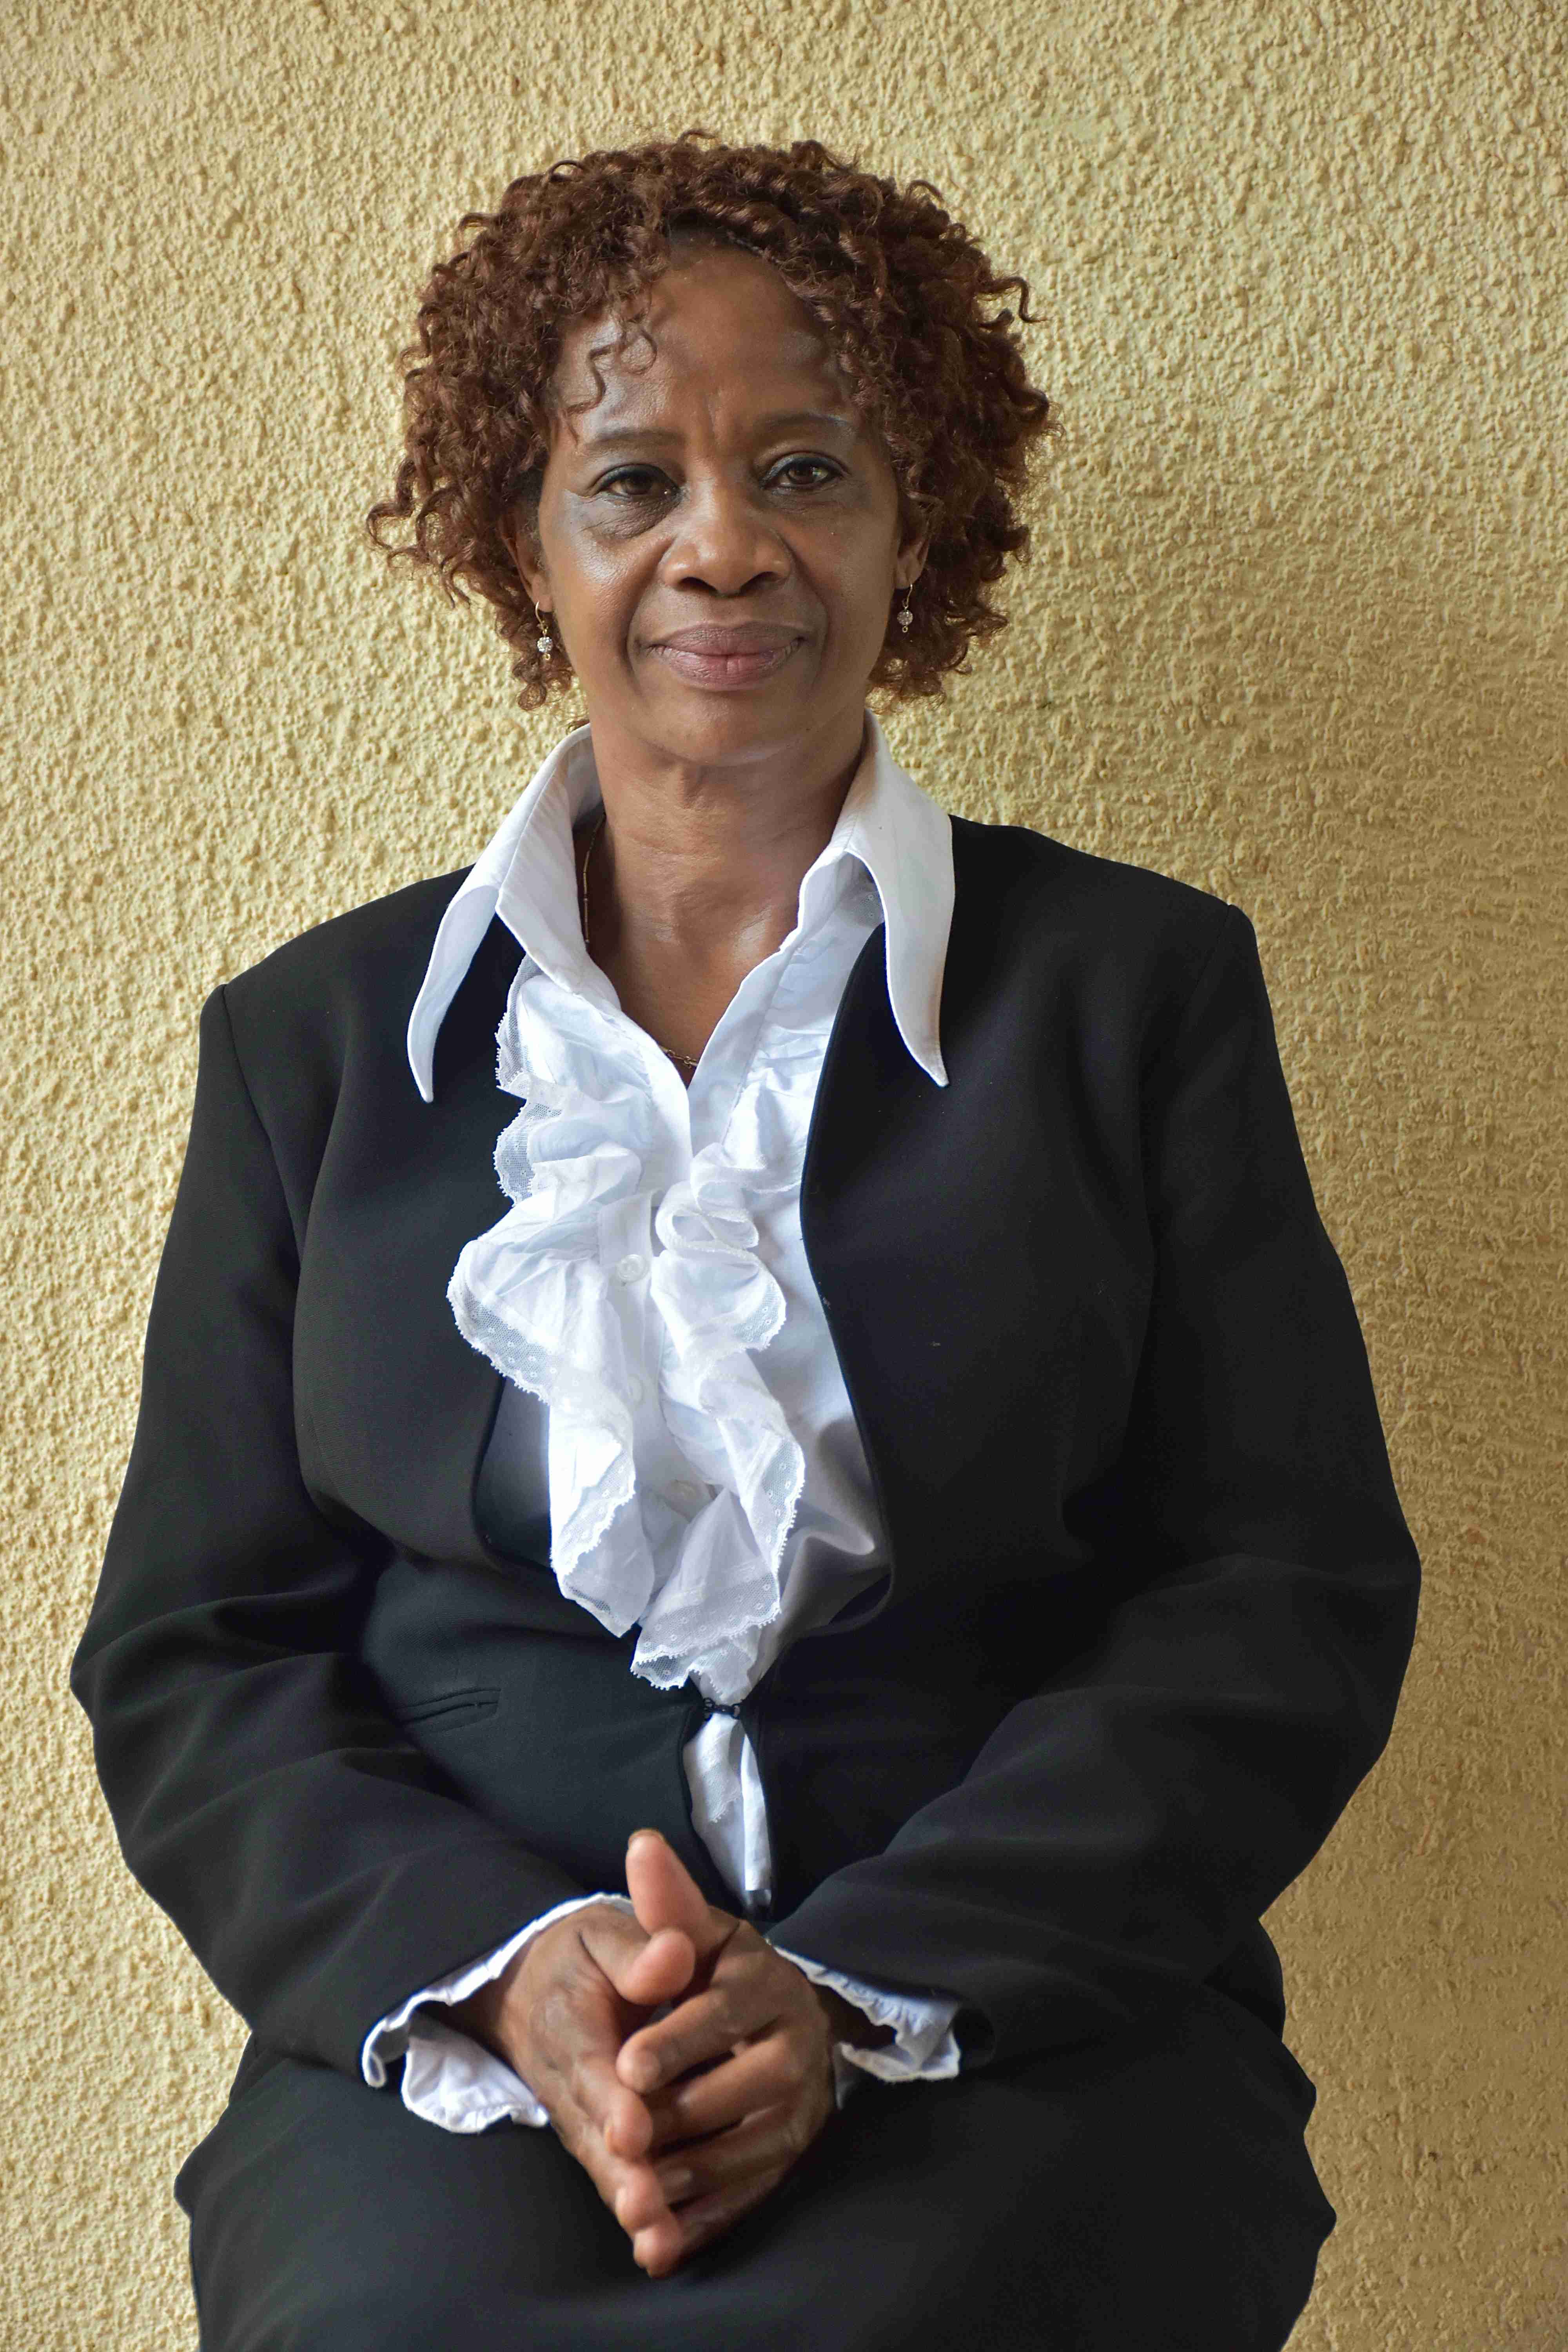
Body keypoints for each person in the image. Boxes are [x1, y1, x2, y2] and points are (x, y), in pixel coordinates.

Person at [70, 130, 1422, 2351]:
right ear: (522, 539)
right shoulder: (312, 1049)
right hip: (467, 2058)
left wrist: (860, 1985)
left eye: (806, 469)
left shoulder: (1135, 995)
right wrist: (519, 1977)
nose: (724, 545)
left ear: (918, 523)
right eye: (632, 482)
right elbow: (195, 1647)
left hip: (1017, 2022)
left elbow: (1285, 1583)